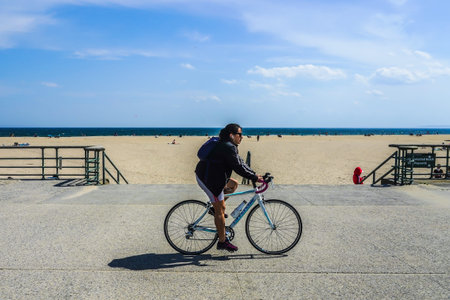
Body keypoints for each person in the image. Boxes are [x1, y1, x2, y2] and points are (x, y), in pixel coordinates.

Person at [195, 123, 262, 252]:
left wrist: (254, 175)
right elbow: (238, 167)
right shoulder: (227, 146)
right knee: (220, 209)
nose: (242, 137)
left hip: (216, 177)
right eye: (240, 134)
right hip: (208, 179)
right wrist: (254, 178)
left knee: (234, 184)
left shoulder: (230, 146)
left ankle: (216, 211)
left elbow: (241, 163)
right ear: (232, 135)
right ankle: (222, 241)